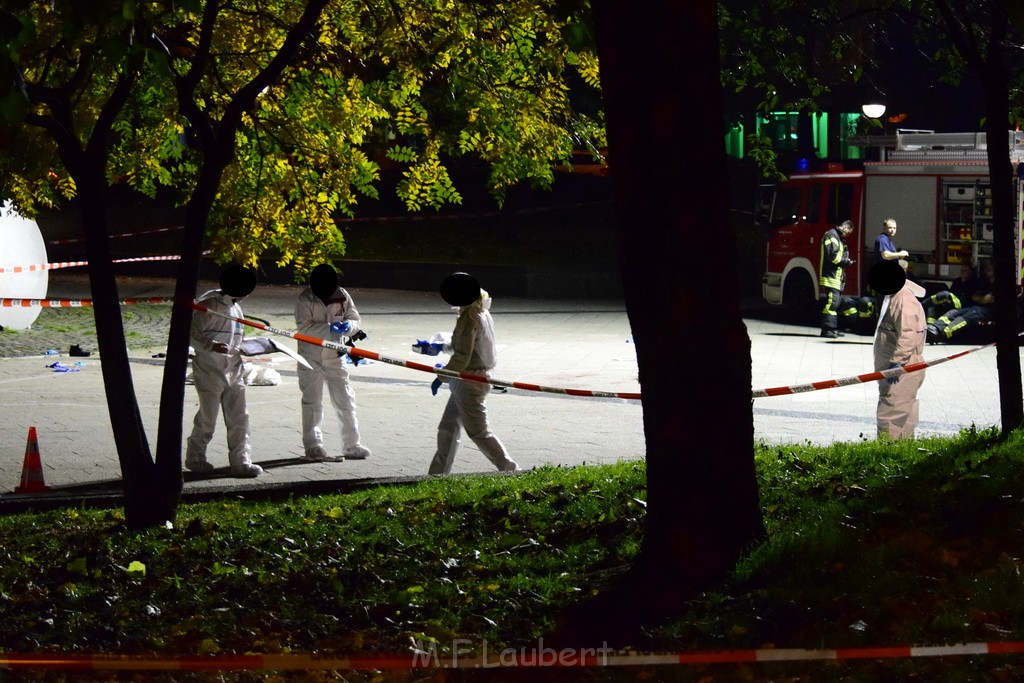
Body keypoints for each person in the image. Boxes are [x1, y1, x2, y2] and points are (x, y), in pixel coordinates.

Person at [427, 272, 519, 475]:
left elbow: (462, 356)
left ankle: (510, 468)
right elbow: (468, 347)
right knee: (448, 428)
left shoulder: (469, 317)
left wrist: (441, 375)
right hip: (471, 377)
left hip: (469, 380)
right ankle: (437, 474)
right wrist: (443, 347)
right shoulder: (481, 312)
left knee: (478, 432)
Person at [185, 265, 263, 478]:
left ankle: (241, 461)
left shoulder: (235, 308)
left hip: (234, 369)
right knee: (208, 417)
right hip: (209, 369)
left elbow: (234, 340)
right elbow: (191, 334)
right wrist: (211, 345)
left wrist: (252, 347)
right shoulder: (209, 306)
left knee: (239, 417)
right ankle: (195, 458)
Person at [295, 263, 371, 461]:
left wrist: (349, 326)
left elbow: (355, 318)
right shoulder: (305, 298)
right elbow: (304, 329)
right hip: (310, 357)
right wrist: (331, 329)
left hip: (335, 357)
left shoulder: (342, 295)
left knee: (345, 400)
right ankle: (313, 446)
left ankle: (352, 445)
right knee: (312, 402)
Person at [870, 259, 927, 440]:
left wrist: (897, 362)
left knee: (890, 414)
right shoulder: (896, 295)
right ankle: (903, 452)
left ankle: (888, 456)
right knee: (903, 411)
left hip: (901, 369)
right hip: (902, 367)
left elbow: (908, 333)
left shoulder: (903, 300)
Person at [927, 262, 996, 343]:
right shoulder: (985, 282)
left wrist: (982, 299)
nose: (986, 271)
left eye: (989, 269)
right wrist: (982, 299)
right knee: (953, 313)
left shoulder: (991, 283)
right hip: (975, 308)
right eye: (986, 269)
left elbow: (983, 299)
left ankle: (942, 335)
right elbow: (976, 297)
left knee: (971, 313)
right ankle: (934, 328)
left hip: (990, 310)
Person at [819, 219, 856, 338]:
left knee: (835, 303)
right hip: (830, 275)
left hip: (836, 276)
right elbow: (833, 257)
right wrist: (846, 261)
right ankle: (827, 329)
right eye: (848, 232)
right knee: (832, 302)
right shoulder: (832, 235)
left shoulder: (838, 237)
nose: (847, 235)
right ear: (845, 228)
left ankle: (832, 328)